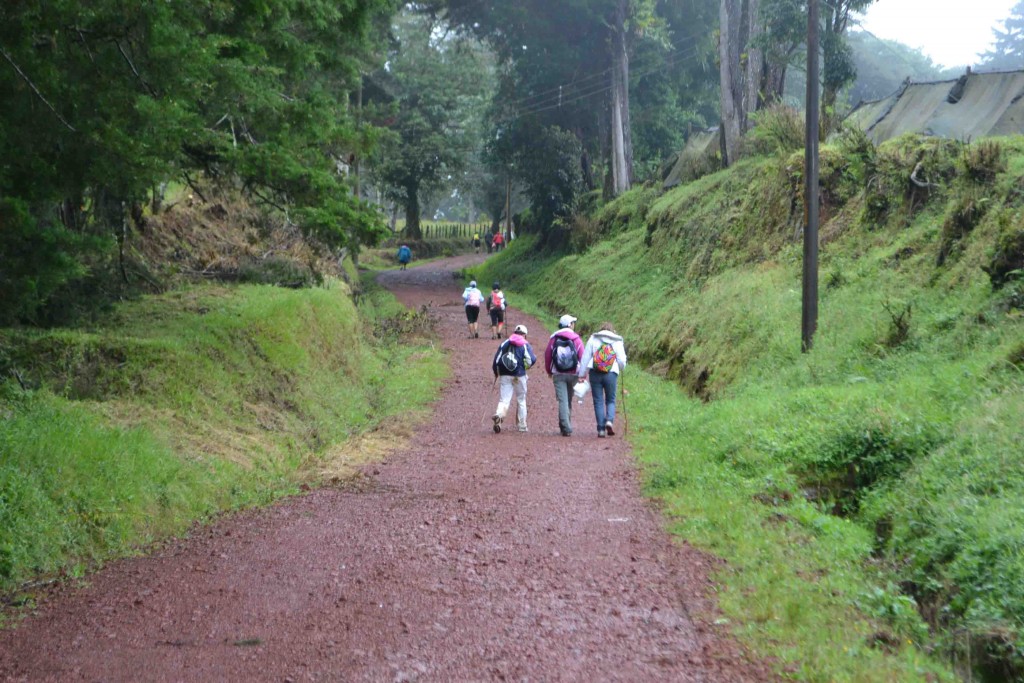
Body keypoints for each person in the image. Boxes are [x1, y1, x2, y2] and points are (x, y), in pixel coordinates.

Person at [577, 321, 627, 438]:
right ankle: (609, 420)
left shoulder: (593, 338)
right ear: (612, 330)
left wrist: (582, 374)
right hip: (611, 373)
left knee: (598, 401)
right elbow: (622, 361)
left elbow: (585, 357)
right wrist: (619, 368)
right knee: (611, 399)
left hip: (595, 372)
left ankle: (600, 429)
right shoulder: (617, 340)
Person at [544, 314, 585, 437]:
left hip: (558, 374)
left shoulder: (554, 339)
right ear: (569, 325)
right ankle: (566, 425)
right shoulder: (576, 339)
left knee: (562, 400)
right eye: (573, 323)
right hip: (573, 374)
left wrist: (549, 371)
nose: (574, 325)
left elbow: (547, 356)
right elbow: (582, 356)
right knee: (568, 399)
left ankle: (565, 426)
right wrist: (582, 374)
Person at [491, 324, 537, 433]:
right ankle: (522, 425)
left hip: (504, 374)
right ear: (525, 335)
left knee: (504, 399)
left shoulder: (505, 343)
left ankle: (499, 415)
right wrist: (526, 367)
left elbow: (496, 360)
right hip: (519, 375)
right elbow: (532, 359)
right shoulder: (525, 344)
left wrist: (496, 372)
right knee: (521, 399)